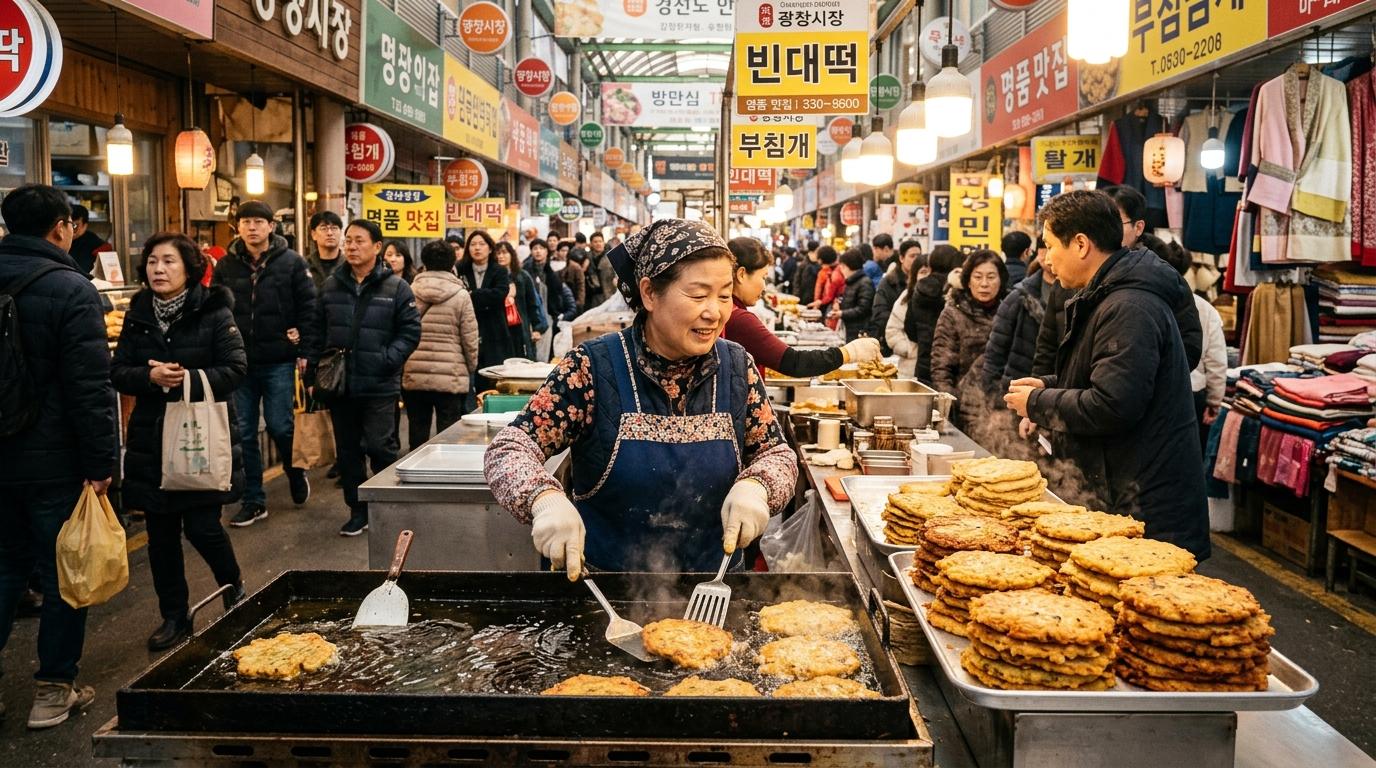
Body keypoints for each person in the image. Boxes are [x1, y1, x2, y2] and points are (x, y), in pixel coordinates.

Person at [484, 220, 799, 577]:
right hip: (602, 595)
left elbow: (777, 454)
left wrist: (759, 485)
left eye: (724, 295)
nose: (714, 312)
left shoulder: (736, 365)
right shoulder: (591, 367)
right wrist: (543, 498)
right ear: (649, 293)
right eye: (698, 295)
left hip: (717, 591)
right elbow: (509, 448)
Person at [1004, 190, 1209, 561]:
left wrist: (1038, 403)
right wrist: (1049, 384)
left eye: (1051, 246)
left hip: (1145, 503)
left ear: (1081, 244)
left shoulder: (1129, 305)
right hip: (1119, 486)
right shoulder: (1103, 294)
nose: (1047, 260)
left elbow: (1114, 404)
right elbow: (1101, 376)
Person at [0, 184, 117, 728]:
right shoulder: (72, 288)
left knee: (2, 569)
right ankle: (53, 690)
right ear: (61, 228)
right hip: (53, 460)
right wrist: (101, 465)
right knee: (62, 571)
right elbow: (89, 388)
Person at [110, 233, 247, 651]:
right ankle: (174, 615)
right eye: (152, 262)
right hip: (152, 438)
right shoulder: (137, 314)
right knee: (161, 535)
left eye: (168, 261)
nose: (158, 269)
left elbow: (236, 367)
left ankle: (234, 590)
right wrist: (147, 377)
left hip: (198, 436)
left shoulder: (213, 309)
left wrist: (186, 379)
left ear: (189, 267)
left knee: (204, 528)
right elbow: (118, 371)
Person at [213, 200, 317, 526]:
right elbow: (216, 309)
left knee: (279, 425)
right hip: (239, 362)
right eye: (246, 222)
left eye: (259, 221)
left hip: (279, 359)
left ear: (271, 226)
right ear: (238, 227)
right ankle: (254, 499)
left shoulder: (291, 263)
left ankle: (293, 468)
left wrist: (304, 347)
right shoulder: (226, 265)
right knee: (244, 432)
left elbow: (309, 307)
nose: (252, 227)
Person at [316, 219, 421, 536]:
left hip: (379, 384)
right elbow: (317, 330)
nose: (351, 246)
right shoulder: (332, 285)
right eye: (348, 241)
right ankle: (357, 510)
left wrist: (388, 360)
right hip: (342, 385)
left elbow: (410, 331)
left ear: (377, 247)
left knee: (380, 447)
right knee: (348, 453)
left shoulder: (397, 288)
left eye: (358, 240)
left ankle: (388, 506)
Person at [722, 237, 880, 378]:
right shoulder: (739, 319)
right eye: (763, 277)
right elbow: (794, 362)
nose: (764, 287)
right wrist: (849, 352)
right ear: (742, 274)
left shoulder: (731, 310)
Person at [402, 241, 479, 450]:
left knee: (417, 428)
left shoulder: (409, 291)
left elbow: (400, 331)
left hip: (415, 371)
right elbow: (469, 337)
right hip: (451, 374)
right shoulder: (461, 295)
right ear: (452, 263)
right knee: (448, 431)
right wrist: (471, 367)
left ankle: (414, 471)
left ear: (424, 263)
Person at [1157, 239, 1227, 448]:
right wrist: (1215, 402)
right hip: (1193, 393)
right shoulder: (1204, 308)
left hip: (1161, 392)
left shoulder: (1151, 302)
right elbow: (1216, 362)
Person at [931, 250, 1009, 428]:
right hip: (965, 409)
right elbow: (941, 369)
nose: (984, 284)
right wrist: (951, 407)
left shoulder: (1011, 310)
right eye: (978, 277)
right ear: (967, 280)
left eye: (991, 277)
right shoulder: (953, 313)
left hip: (1004, 408)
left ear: (1001, 280)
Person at [983, 245, 1059, 395]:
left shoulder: (1080, 295)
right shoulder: (1019, 297)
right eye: (1046, 247)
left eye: (1053, 247)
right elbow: (995, 352)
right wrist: (994, 396)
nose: (1049, 255)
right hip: (1017, 390)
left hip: (1059, 393)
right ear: (1038, 253)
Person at [457, 230, 514, 393]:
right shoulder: (460, 269)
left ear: (490, 249)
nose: (477, 248)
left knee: (491, 376)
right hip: (467, 325)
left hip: (493, 328)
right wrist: (483, 296)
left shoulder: (500, 270)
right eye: (473, 244)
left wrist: (472, 295)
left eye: (482, 244)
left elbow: (500, 293)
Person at [904, 244, 964, 383]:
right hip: (952, 366)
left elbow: (910, 328)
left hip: (924, 363)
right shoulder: (957, 290)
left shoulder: (919, 289)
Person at [496, 241, 547, 360]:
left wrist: (537, 328)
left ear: (511, 255)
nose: (501, 256)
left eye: (504, 252)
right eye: (497, 253)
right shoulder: (493, 277)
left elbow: (533, 304)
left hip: (520, 327)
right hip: (499, 328)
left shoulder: (522, 276)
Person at [525, 239, 574, 361]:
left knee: (544, 355)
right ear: (531, 251)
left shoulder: (552, 274)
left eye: (541, 248)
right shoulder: (525, 271)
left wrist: (557, 315)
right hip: (529, 317)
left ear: (547, 252)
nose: (538, 251)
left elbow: (559, 297)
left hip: (548, 317)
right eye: (535, 248)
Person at [885, 251, 929, 378]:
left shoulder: (945, 299)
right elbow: (892, 330)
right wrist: (908, 350)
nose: (927, 277)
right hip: (909, 369)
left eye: (930, 272)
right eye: (923, 272)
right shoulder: (906, 298)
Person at [870, 238, 920, 348]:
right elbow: (879, 313)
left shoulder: (923, 283)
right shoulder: (888, 282)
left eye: (918, 256)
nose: (916, 260)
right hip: (892, 344)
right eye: (912, 256)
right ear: (901, 258)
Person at [836, 248, 876, 342]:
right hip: (850, 329)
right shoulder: (851, 281)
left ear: (849, 266)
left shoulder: (865, 283)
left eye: (842, 267)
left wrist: (842, 313)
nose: (841, 271)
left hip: (859, 332)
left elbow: (863, 309)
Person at [66, 204, 111, 278]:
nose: (72, 230)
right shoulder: (63, 240)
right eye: (69, 225)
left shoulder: (96, 244)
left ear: (85, 226)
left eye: (75, 226)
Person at [305, 211, 344, 291]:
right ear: (313, 234)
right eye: (324, 228)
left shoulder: (350, 265)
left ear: (341, 232)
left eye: (334, 228)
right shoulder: (304, 265)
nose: (330, 233)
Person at [810, 246, 843, 317]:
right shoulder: (840, 270)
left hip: (825, 307)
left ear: (820, 260)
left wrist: (816, 304)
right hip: (836, 306)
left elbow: (818, 292)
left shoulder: (823, 273)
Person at [555, 239, 585, 311]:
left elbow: (581, 285)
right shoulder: (553, 265)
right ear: (558, 252)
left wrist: (580, 302)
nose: (565, 253)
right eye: (562, 250)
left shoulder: (575, 266)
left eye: (566, 251)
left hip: (573, 299)